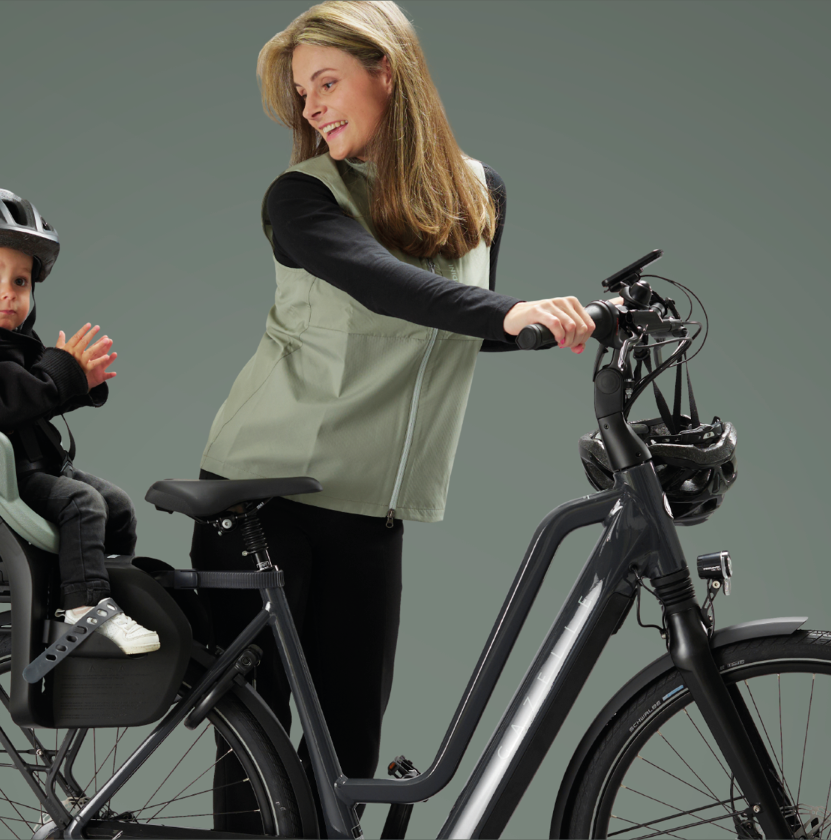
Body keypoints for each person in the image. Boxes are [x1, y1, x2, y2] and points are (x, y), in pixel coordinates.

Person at [191, 1, 596, 781]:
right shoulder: (301, 197)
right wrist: (511, 311)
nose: (311, 106)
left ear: (387, 69)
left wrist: (573, 320)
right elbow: (382, 284)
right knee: (256, 747)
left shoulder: (479, 191)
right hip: (264, 494)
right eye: (302, 91)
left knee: (351, 748)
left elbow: (464, 322)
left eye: (326, 82)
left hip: (373, 505)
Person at [0, 186, 159, 654]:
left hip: (32, 470)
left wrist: (78, 382)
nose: (9, 293)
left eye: (21, 281)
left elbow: (30, 398)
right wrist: (60, 372)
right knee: (82, 503)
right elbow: (0, 403)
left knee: (117, 505)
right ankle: (87, 608)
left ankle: (108, 592)